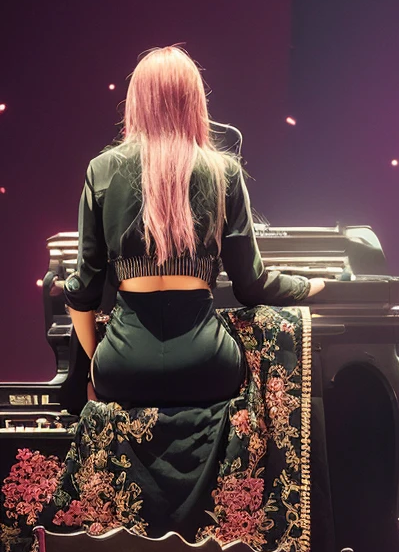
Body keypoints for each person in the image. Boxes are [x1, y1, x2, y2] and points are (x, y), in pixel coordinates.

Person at [63, 45, 324, 405]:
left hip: (124, 367)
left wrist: (97, 362)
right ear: (194, 102)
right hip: (207, 364)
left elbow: (83, 289)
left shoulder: (101, 170)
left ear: (136, 101)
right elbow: (251, 284)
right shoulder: (224, 171)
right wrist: (306, 285)